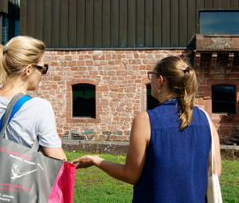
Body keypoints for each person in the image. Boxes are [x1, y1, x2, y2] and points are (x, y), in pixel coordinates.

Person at [71, 56, 222, 203]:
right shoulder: (206, 120)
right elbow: (215, 171)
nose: (151, 81)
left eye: (152, 76)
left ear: (161, 80)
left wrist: (96, 160)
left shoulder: (145, 120)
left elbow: (130, 175)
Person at [0, 36, 67, 161]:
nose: (43, 74)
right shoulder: (39, 108)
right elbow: (58, 161)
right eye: (42, 68)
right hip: (22, 179)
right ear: (28, 69)